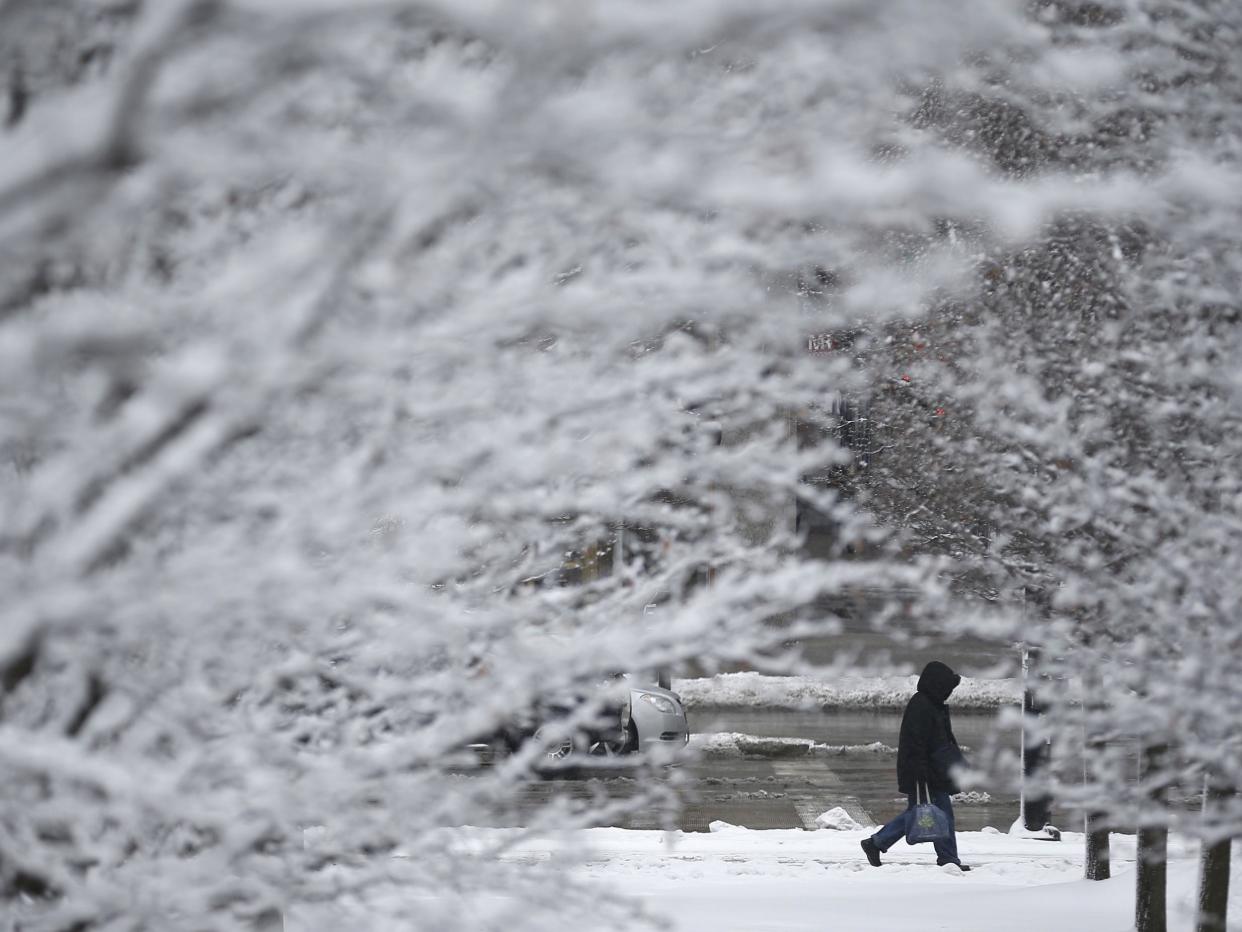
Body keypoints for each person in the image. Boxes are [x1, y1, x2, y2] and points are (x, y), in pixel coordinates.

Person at [860, 660, 970, 871]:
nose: (948, 692)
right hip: (926, 771)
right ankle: (948, 859)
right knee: (938, 814)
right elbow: (915, 742)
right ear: (937, 685)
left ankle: (876, 843)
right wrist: (921, 771)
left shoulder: (931, 704)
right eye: (947, 687)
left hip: (932, 769)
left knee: (921, 813)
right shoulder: (922, 705)